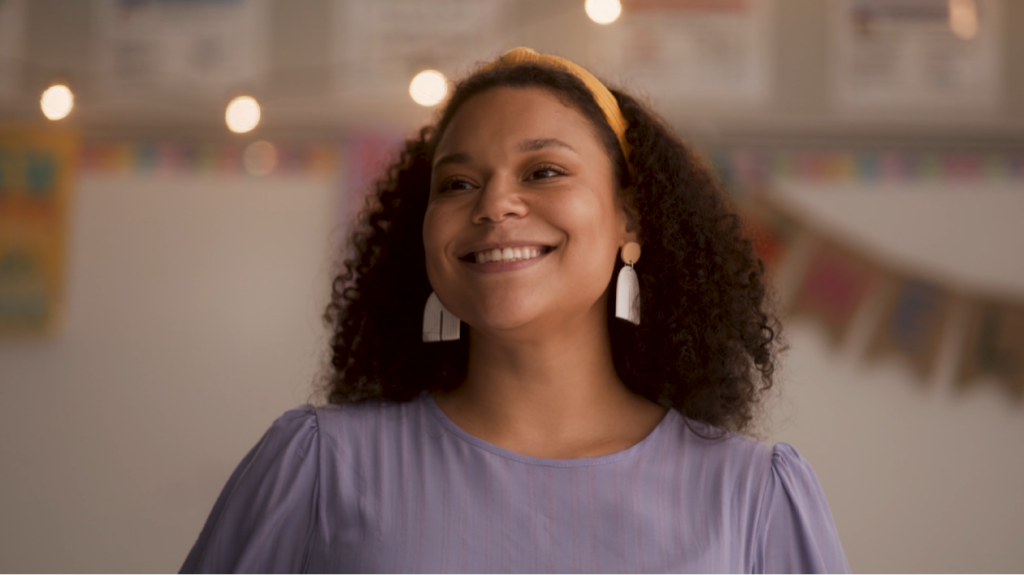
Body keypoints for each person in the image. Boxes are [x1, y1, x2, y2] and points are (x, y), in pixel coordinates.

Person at [181, 48, 850, 573]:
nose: (495, 203)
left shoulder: (754, 496)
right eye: (459, 183)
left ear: (630, 220)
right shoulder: (318, 466)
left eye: (543, 172)